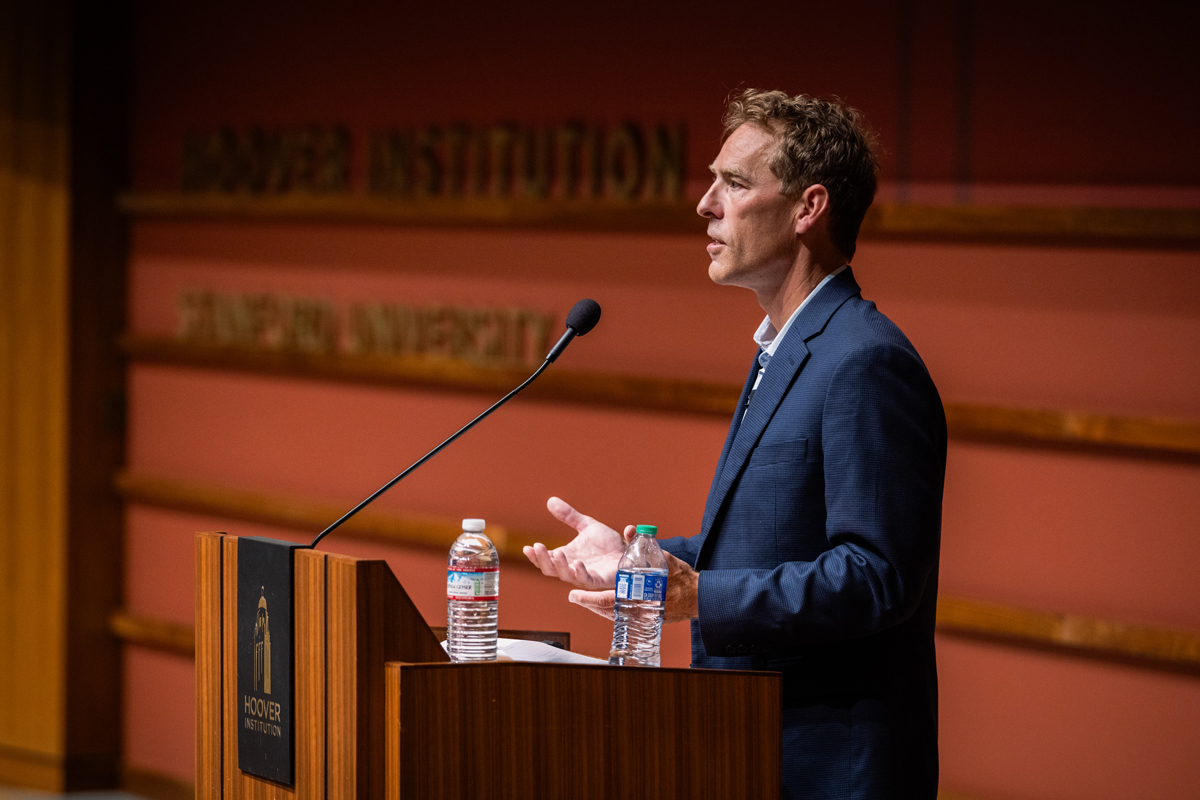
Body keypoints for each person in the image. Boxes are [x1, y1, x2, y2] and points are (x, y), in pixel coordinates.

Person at [524, 89, 946, 799]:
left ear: (808, 208)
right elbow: (776, 543)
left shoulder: (865, 361)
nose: (705, 204)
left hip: (829, 772)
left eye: (736, 183)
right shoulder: (784, 352)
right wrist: (644, 561)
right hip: (750, 749)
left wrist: (698, 597)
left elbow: (876, 577)